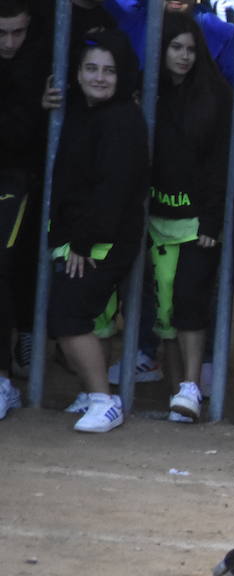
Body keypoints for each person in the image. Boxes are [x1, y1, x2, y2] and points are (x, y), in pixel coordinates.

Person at [47, 29, 148, 433]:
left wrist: (83, 242)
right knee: (78, 317)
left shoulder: (121, 119)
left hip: (100, 241)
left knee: (68, 317)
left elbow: (113, 188)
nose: (100, 77)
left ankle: (105, 400)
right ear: (77, 72)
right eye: (91, 69)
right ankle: (94, 393)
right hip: (83, 238)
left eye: (109, 70)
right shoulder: (82, 110)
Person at [145, 11, 230, 424]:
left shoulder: (214, 97)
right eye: (176, 48)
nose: (183, 56)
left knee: (190, 303)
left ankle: (192, 386)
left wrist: (212, 223)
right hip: (156, 220)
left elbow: (219, 167)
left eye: (191, 49)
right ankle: (178, 391)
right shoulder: (148, 91)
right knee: (164, 308)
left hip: (198, 225)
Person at [0, 0, 46, 409]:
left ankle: (22, 345)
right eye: (2, 33)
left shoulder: (40, 55)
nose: (11, 42)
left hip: (25, 179)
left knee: (18, 264)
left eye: (18, 32)